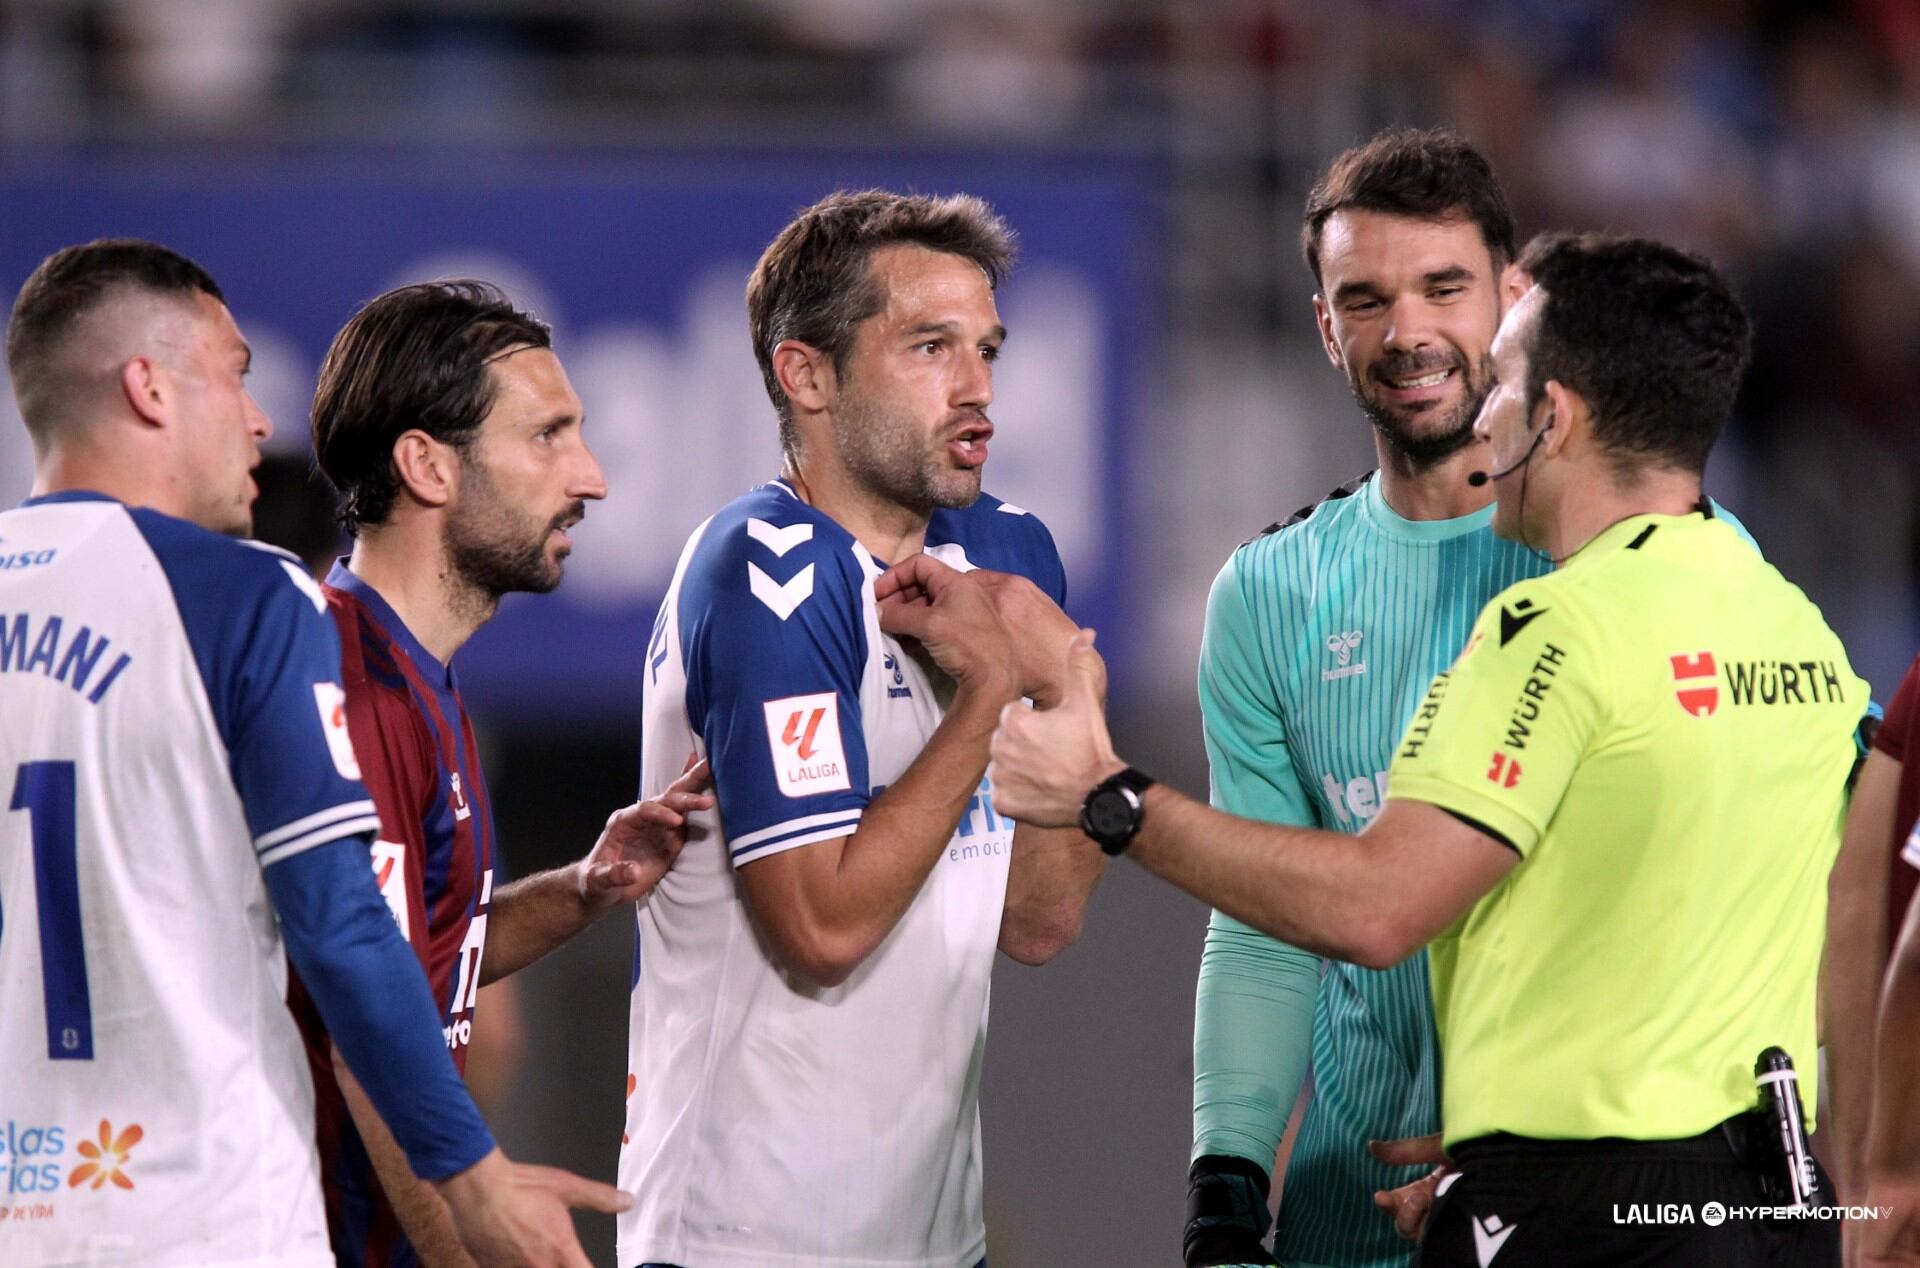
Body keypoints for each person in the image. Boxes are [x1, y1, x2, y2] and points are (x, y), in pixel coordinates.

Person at [991, 232, 1865, 1267]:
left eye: (1502, 382)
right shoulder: (1795, 627)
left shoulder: (1556, 632)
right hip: (1776, 1204)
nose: (1482, 416)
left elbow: (1375, 906)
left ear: (1556, 416)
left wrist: (1111, 798)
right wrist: (1536, 1132)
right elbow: (1829, 928)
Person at [1182, 127, 1756, 1268]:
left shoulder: (1673, 560)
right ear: (1323, 325)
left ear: (1512, 297)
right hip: (1345, 1219)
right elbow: (1265, 924)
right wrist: (1229, 1185)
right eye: (1365, 298)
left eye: (1444, 287)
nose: (1408, 333)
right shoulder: (1266, 592)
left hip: (1578, 1214)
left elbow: (1719, 897)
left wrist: (1537, 1144)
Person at [0, 239, 623, 1266]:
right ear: (147, 387)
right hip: (203, 1214)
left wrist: (577, 893)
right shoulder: (249, 596)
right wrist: (474, 1177)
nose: (257, 415)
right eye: (235, 372)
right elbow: (342, 926)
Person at [618, 189, 1104, 1268]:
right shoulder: (763, 572)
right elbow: (822, 929)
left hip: (940, 1238)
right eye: (930, 346)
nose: (977, 388)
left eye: (987, 348)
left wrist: (1068, 686)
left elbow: (1038, 916)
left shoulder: (1013, 552)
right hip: (742, 1240)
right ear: (809, 374)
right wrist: (989, 696)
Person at [296, 280, 714, 1267]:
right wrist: (470, 1242)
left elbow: (419, 955)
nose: (593, 476)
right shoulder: (352, 691)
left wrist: (582, 889)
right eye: (548, 436)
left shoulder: (416, 680)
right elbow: (363, 1034)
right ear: (427, 465)